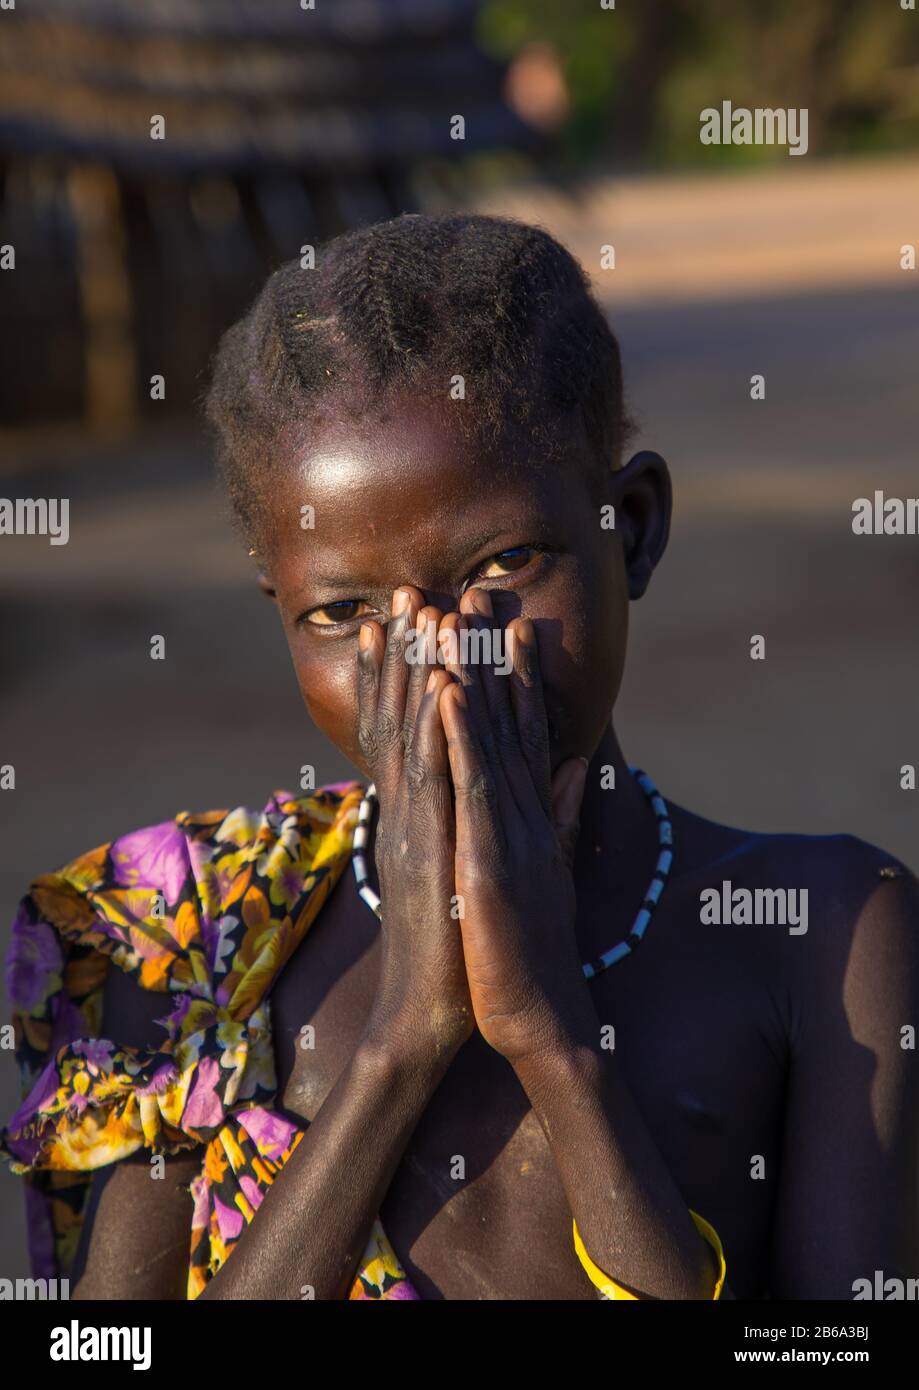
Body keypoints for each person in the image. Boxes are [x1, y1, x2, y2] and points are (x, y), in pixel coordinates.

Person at [3, 214, 917, 1301]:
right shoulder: (193, 938)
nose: (439, 655)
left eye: (505, 563)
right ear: (282, 615)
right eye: (344, 612)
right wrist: (400, 1044)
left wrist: (555, 1047)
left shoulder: (828, 932)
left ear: (630, 527)